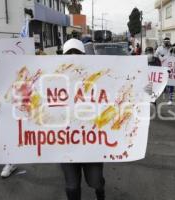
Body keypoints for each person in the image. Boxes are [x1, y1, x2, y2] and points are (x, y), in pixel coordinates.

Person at [61, 38, 106, 200]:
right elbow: (31, 101)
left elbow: (119, 94)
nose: (73, 56)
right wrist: (2, 106)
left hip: (91, 142)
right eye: (69, 53)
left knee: (96, 181)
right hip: (65, 143)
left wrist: (144, 91)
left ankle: (100, 193)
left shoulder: (97, 76)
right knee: (72, 186)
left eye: (77, 53)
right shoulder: (52, 77)